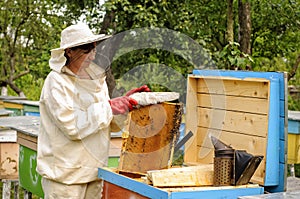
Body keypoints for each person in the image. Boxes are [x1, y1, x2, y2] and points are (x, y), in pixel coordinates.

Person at [36, 23, 150, 199]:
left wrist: (127, 106)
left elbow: (106, 124)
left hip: (94, 173)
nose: (92, 55)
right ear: (69, 51)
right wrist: (111, 106)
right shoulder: (56, 82)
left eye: (94, 48)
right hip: (65, 181)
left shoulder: (96, 80)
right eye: (86, 49)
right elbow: (71, 126)